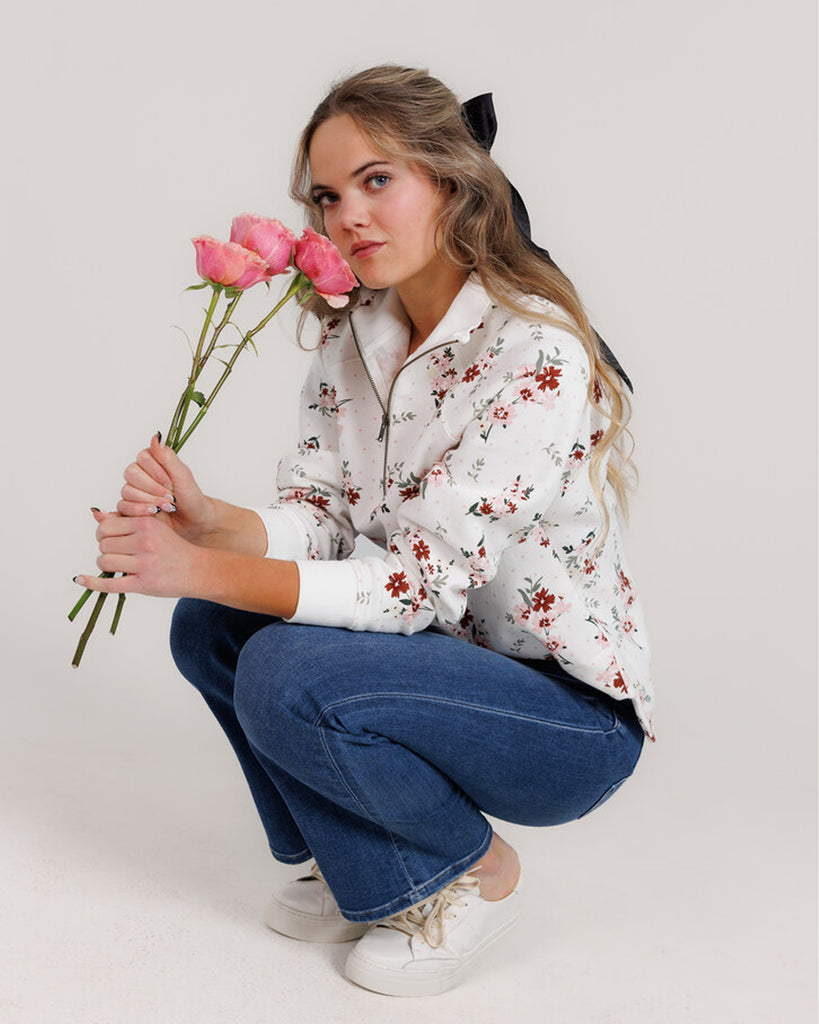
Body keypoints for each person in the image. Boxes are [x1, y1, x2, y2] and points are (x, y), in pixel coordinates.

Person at [76, 65, 653, 997]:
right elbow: (331, 524)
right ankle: (372, 872)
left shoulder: (533, 351)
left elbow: (414, 586)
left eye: (378, 180)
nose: (348, 215)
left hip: (559, 723)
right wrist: (213, 524)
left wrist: (198, 567)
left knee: (278, 661)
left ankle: (475, 874)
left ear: (451, 181)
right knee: (213, 630)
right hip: (430, 663)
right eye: (328, 195)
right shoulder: (358, 335)